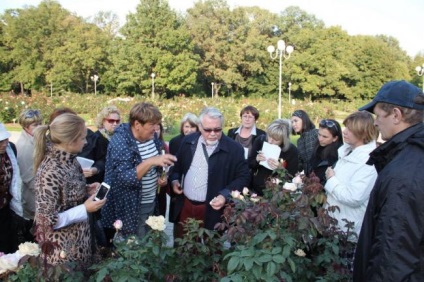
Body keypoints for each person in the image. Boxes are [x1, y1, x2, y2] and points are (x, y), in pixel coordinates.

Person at [353, 80, 424, 281]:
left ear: (396, 115)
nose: (375, 122)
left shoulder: (406, 172)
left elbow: (393, 255)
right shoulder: (409, 156)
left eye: (377, 115)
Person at [33, 114, 105, 266]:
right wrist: (85, 208)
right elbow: (46, 221)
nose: (86, 142)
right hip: (62, 252)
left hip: (81, 242)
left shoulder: (71, 160)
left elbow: (65, 194)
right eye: (83, 138)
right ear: (70, 140)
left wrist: (86, 190)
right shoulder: (49, 171)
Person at [170, 107, 251, 238]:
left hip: (213, 210)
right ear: (200, 127)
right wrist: (174, 180)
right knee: (185, 249)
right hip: (186, 205)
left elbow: (243, 177)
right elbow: (176, 166)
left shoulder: (234, 149)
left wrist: (225, 195)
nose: (213, 133)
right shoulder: (188, 141)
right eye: (208, 130)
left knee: (212, 250)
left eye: (217, 129)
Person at [101, 102, 176, 239]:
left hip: (151, 201)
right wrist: (152, 161)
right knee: (135, 246)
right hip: (131, 207)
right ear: (137, 124)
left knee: (150, 242)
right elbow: (124, 178)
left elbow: (158, 162)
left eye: (157, 124)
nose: (155, 129)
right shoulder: (121, 141)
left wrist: (161, 176)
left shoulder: (151, 137)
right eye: (151, 125)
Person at [324, 111, 378, 249]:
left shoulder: (368, 161)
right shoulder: (347, 151)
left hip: (349, 231)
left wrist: (331, 179)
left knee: (343, 268)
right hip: (334, 224)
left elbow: (355, 197)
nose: (345, 132)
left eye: (350, 129)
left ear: (363, 133)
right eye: (346, 127)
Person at [248, 119, 299, 196]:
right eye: (269, 136)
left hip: (277, 193)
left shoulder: (291, 151)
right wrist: (256, 159)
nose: (270, 141)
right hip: (255, 189)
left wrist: (280, 168)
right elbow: (249, 163)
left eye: (276, 140)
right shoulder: (260, 140)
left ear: (284, 140)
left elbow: (292, 176)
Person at [15, 109, 43, 242]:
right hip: (35, 199)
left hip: (40, 196)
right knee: (36, 238)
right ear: (26, 127)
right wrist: (47, 195)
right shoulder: (25, 146)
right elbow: (29, 179)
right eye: (35, 125)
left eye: (40, 123)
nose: (39, 127)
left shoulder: (35, 139)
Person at [0, 123, 23, 254]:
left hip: (5, 207)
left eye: (5, 139)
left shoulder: (11, 149)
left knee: (8, 245)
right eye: (0, 141)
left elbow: (15, 177)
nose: (4, 144)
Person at [308, 119, 343, 184]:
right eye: (319, 134)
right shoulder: (317, 147)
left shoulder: (339, 156)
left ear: (335, 138)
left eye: (325, 137)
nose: (320, 139)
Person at [291, 110, 318, 174]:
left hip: (319, 174)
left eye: (296, 121)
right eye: (292, 122)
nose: (293, 124)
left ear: (304, 120)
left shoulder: (315, 133)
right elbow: (301, 164)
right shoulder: (299, 141)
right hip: (308, 177)